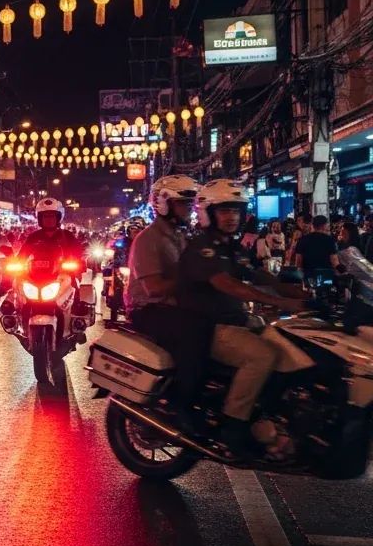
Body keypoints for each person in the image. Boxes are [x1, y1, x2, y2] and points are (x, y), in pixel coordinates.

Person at [177, 179, 307, 457]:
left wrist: (301, 292)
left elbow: (258, 275)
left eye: (236, 211)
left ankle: (270, 413)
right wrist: (281, 301)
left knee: (289, 344)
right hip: (210, 327)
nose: (232, 217)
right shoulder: (203, 247)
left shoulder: (232, 247)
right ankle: (233, 424)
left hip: (238, 322)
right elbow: (230, 285)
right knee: (261, 356)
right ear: (208, 213)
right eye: (224, 211)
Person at [125, 175, 210, 432]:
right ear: (164, 204)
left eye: (190, 204)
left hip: (173, 305)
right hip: (149, 310)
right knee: (195, 336)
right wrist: (193, 278)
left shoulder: (180, 236)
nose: (188, 209)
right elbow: (154, 289)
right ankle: (179, 404)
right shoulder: (148, 239)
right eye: (183, 204)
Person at [18, 198, 83, 263]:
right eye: (46, 216)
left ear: (57, 218)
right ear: (40, 219)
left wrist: (78, 262)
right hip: (36, 271)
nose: (49, 219)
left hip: (63, 272)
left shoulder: (67, 236)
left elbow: (78, 253)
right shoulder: (33, 237)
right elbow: (22, 256)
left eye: (52, 216)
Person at [293, 214, 339, 284]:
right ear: (324, 225)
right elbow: (334, 262)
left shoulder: (303, 240)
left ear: (313, 225)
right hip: (326, 277)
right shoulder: (329, 240)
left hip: (308, 277)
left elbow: (298, 263)